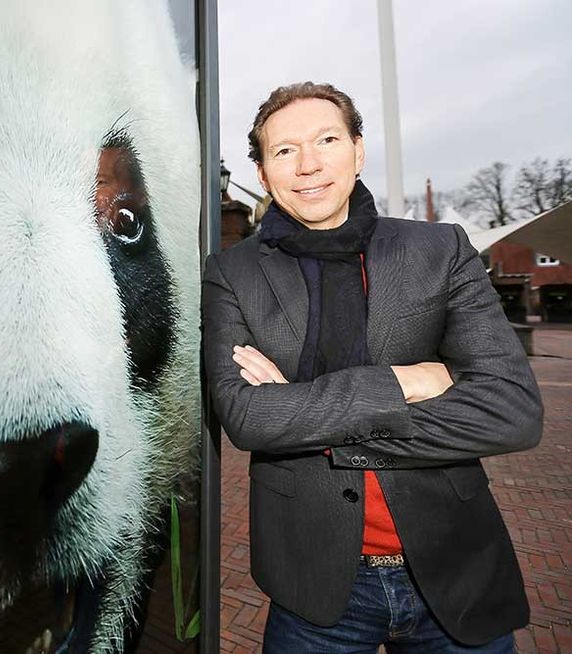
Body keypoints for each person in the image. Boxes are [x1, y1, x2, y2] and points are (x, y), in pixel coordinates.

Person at [202, 82, 543, 652]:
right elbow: (248, 418)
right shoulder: (231, 273)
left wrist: (305, 414)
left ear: (358, 150)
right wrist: (405, 382)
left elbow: (512, 412)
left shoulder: (440, 249)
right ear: (262, 172)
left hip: (453, 567)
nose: (308, 165)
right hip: (313, 584)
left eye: (327, 140)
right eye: (284, 150)